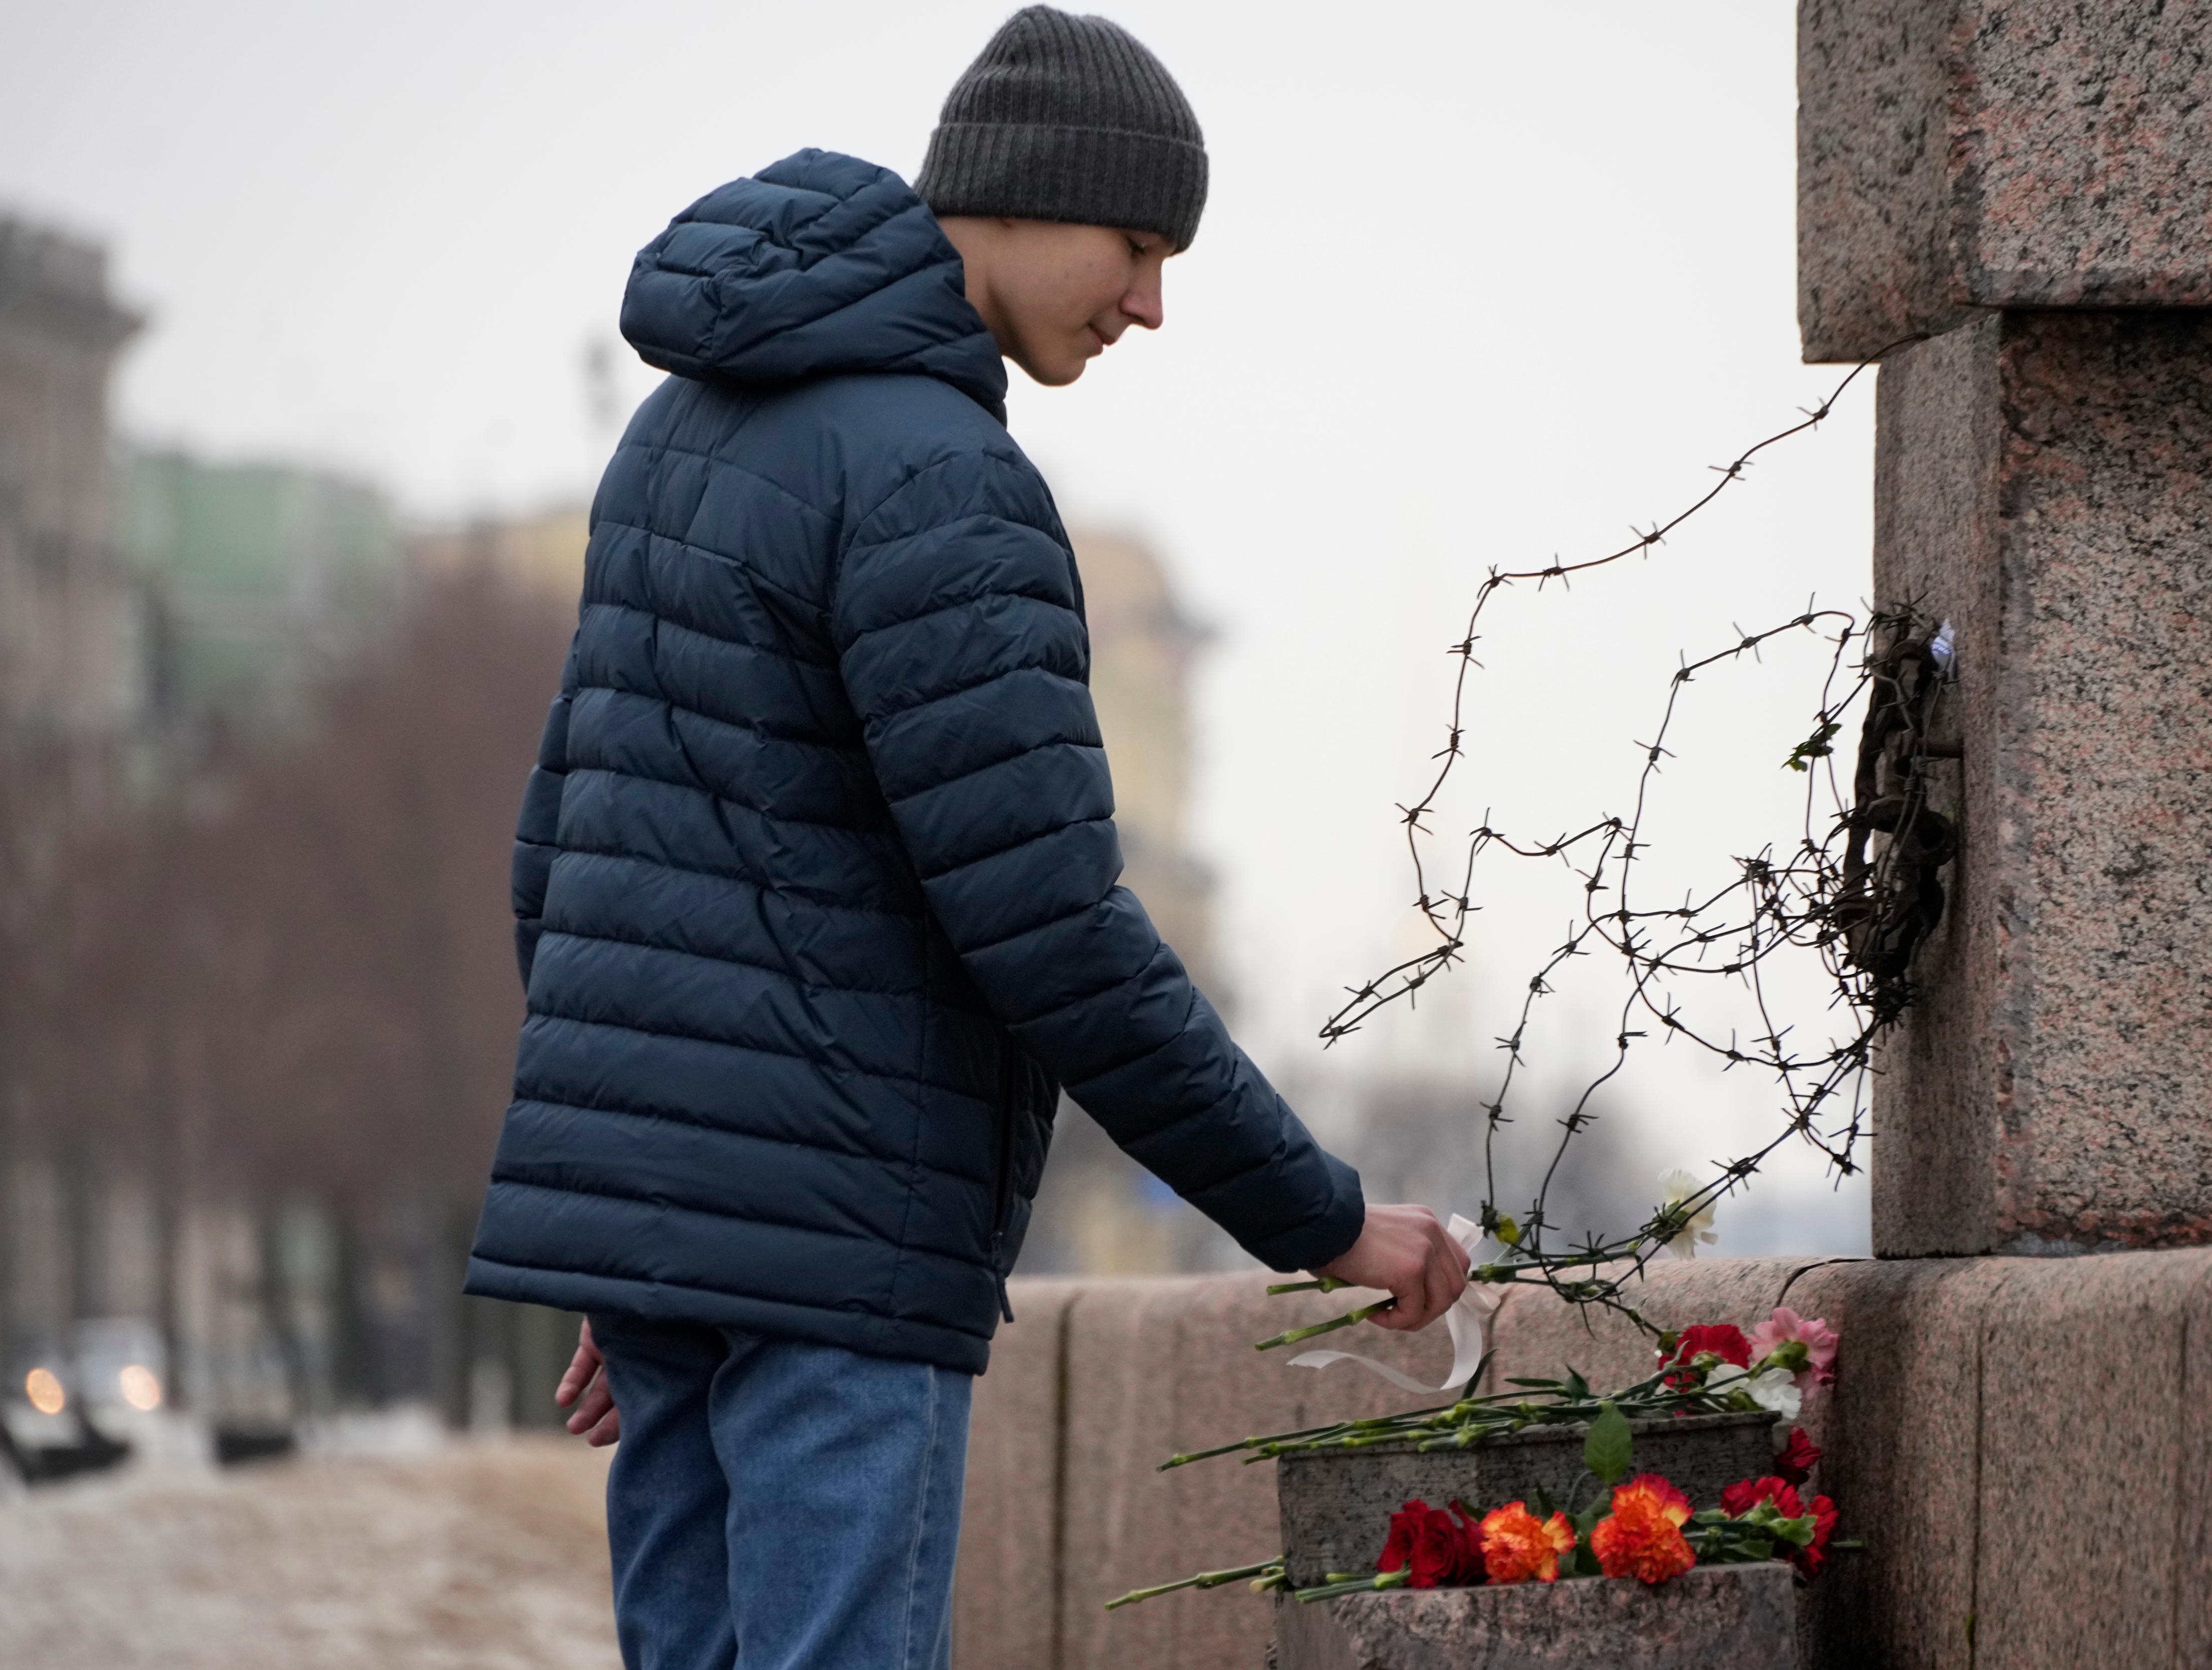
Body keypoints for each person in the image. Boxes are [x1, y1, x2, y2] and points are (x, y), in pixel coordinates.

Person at [461, 9, 1468, 1666]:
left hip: (678, 1254)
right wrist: (1322, 1214)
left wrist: (638, 1217)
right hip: (844, 1245)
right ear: (1013, 198)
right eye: (1136, 247)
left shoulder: (679, 434)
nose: (1152, 303)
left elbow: (567, 842)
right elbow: (1054, 928)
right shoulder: (943, 481)